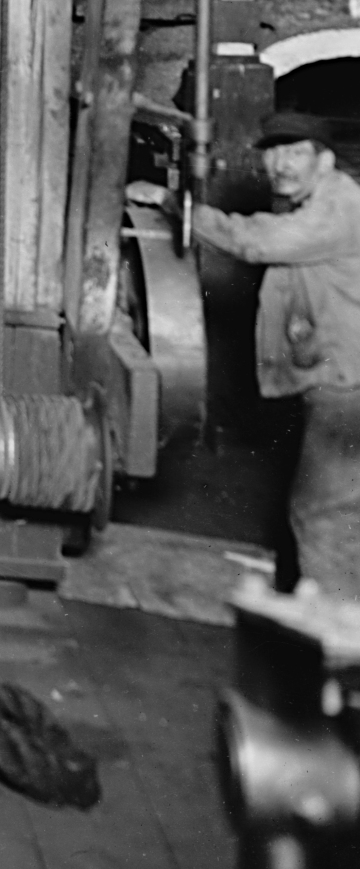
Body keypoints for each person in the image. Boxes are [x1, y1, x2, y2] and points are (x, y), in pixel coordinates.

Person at [137, 113, 360, 593]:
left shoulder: (339, 206)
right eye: (273, 152)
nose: (280, 164)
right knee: (332, 507)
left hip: (349, 387)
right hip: (336, 378)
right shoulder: (311, 203)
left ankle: (334, 638)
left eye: (296, 152)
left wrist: (179, 205)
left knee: (323, 513)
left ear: (324, 160)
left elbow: (257, 242)